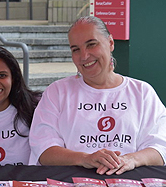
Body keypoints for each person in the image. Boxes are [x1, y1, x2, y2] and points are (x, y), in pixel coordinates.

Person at [29, 16, 166, 175]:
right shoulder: (57, 92)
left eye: (91, 44)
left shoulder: (142, 92)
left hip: (129, 184)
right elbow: (43, 149)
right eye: (76, 49)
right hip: (71, 184)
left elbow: (161, 146)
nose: (84, 56)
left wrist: (131, 159)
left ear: (111, 43)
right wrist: (84, 158)